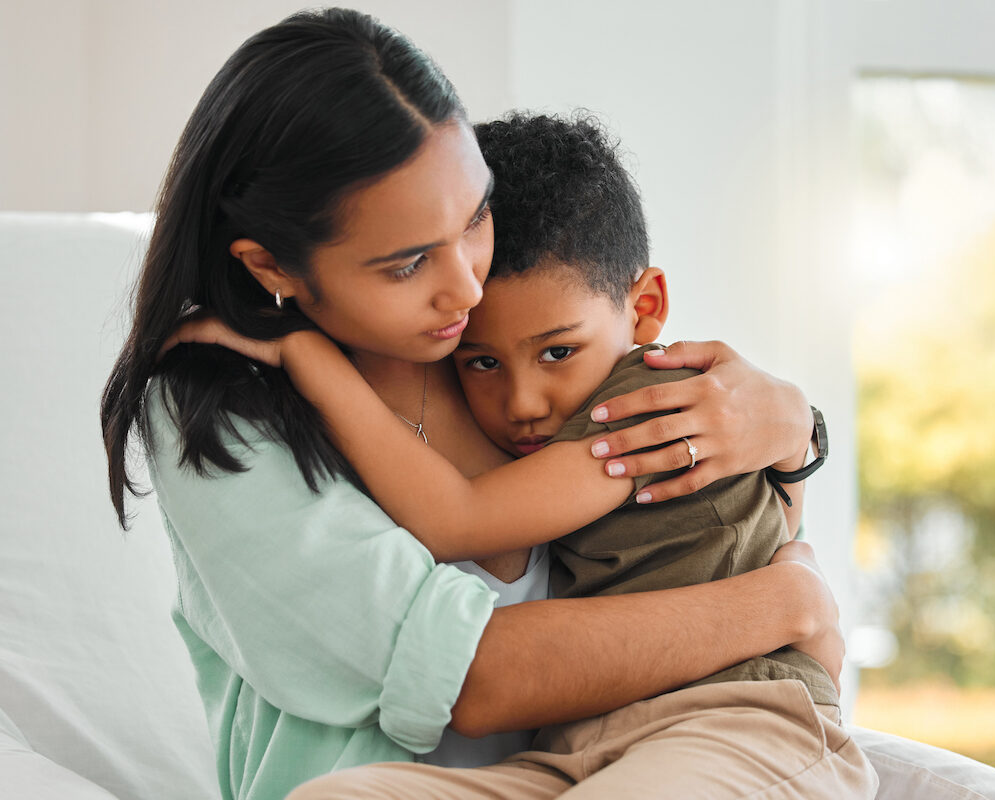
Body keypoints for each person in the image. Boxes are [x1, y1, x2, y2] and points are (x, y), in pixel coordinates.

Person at [102, 9, 838, 800]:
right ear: (273, 267)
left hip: (663, 743)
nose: (466, 287)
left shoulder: (505, 344)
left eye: (475, 217)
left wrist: (793, 430)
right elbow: (469, 675)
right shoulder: (216, 414)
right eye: (408, 263)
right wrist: (779, 606)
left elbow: (724, 526)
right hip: (515, 770)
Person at [270, 112, 877, 798]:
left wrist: (304, 354)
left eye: (558, 351)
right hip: (579, 747)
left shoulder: (646, 408)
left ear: (645, 307)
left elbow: (456, 519)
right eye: (482, 362)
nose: (523, 402)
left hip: (738, 721)